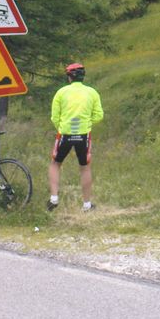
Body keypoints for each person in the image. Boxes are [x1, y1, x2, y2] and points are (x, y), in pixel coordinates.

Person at [47, 62, 104, 212]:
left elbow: (54, 117)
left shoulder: (61, 92)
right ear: (83, 77)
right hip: (83, 134)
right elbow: (99, 115)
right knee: (85, 167)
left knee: (55, 164)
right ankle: (87, 205)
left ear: (69, 77)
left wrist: (62, 127)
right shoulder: (92, 92)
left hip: (65, 133)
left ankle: (54, 198)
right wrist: (87, 123)